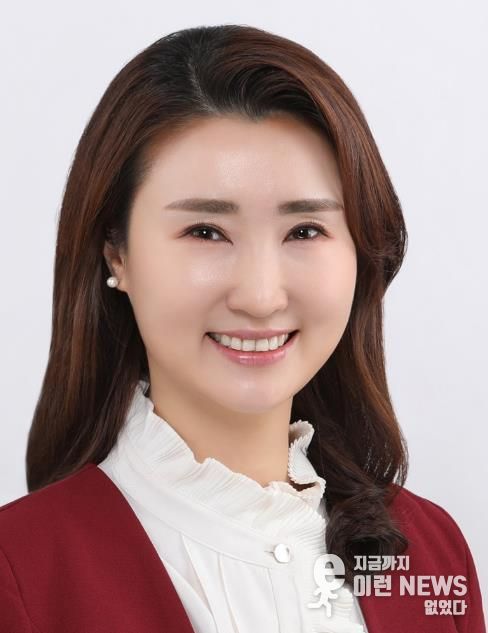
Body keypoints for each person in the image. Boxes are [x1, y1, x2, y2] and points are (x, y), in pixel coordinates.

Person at [0, 24, 484, 633]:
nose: (260, 297)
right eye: (205, 232)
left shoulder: (431, 550)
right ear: (116, 253)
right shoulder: (19, 571)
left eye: (304, 231)